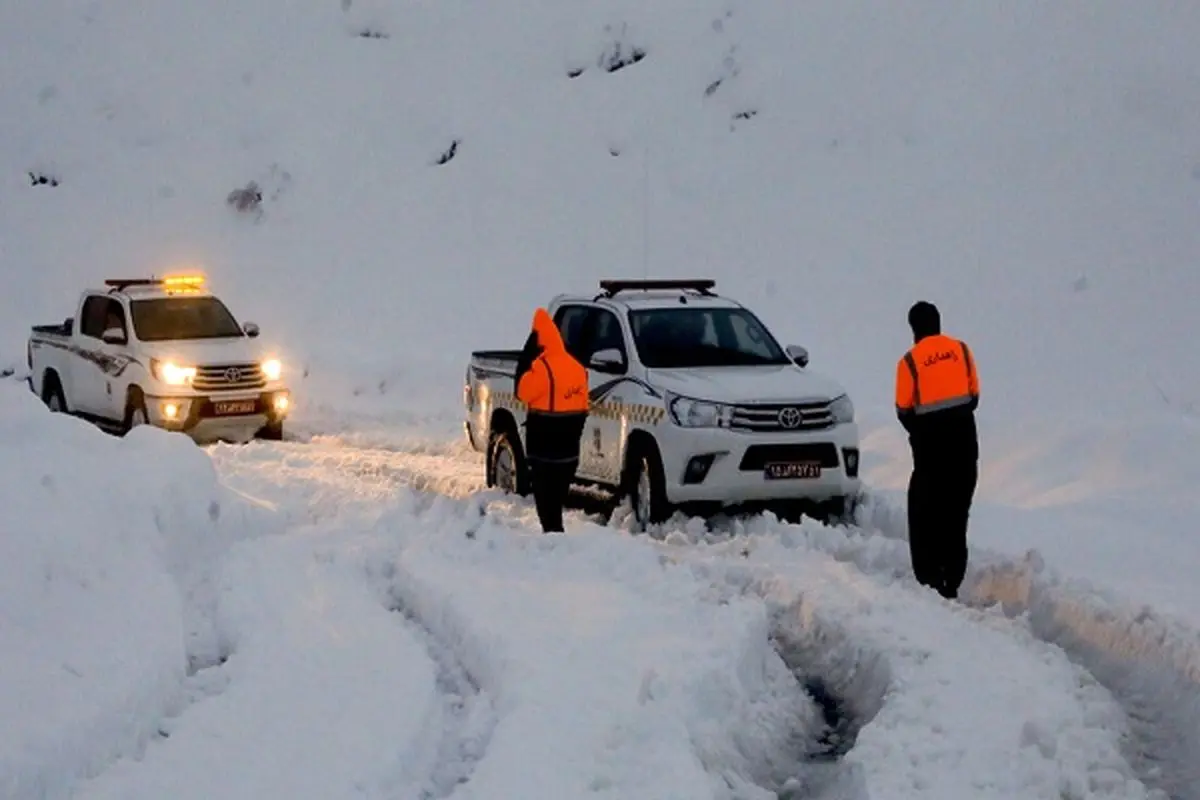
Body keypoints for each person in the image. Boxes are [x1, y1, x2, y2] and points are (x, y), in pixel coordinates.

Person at [894, 301, 980, 599]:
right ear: (938, 323)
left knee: (924, 512)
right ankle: (953, 577)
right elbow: (973, 398)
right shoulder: (963, 351)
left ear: (913, 329)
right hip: (966, 447)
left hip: (930, 454)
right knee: (957, 514)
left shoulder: (909, 362)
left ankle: (930, 578)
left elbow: (903, 410)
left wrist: (924, 430)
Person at [513, 307, 589, 533]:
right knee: (556, 500)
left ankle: (553, 541)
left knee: (547, 504)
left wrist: (526, 359)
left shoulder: (541, 368)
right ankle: (556, 538)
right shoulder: (577, 367)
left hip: (544, 449)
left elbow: (522, 391)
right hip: (570, 450)